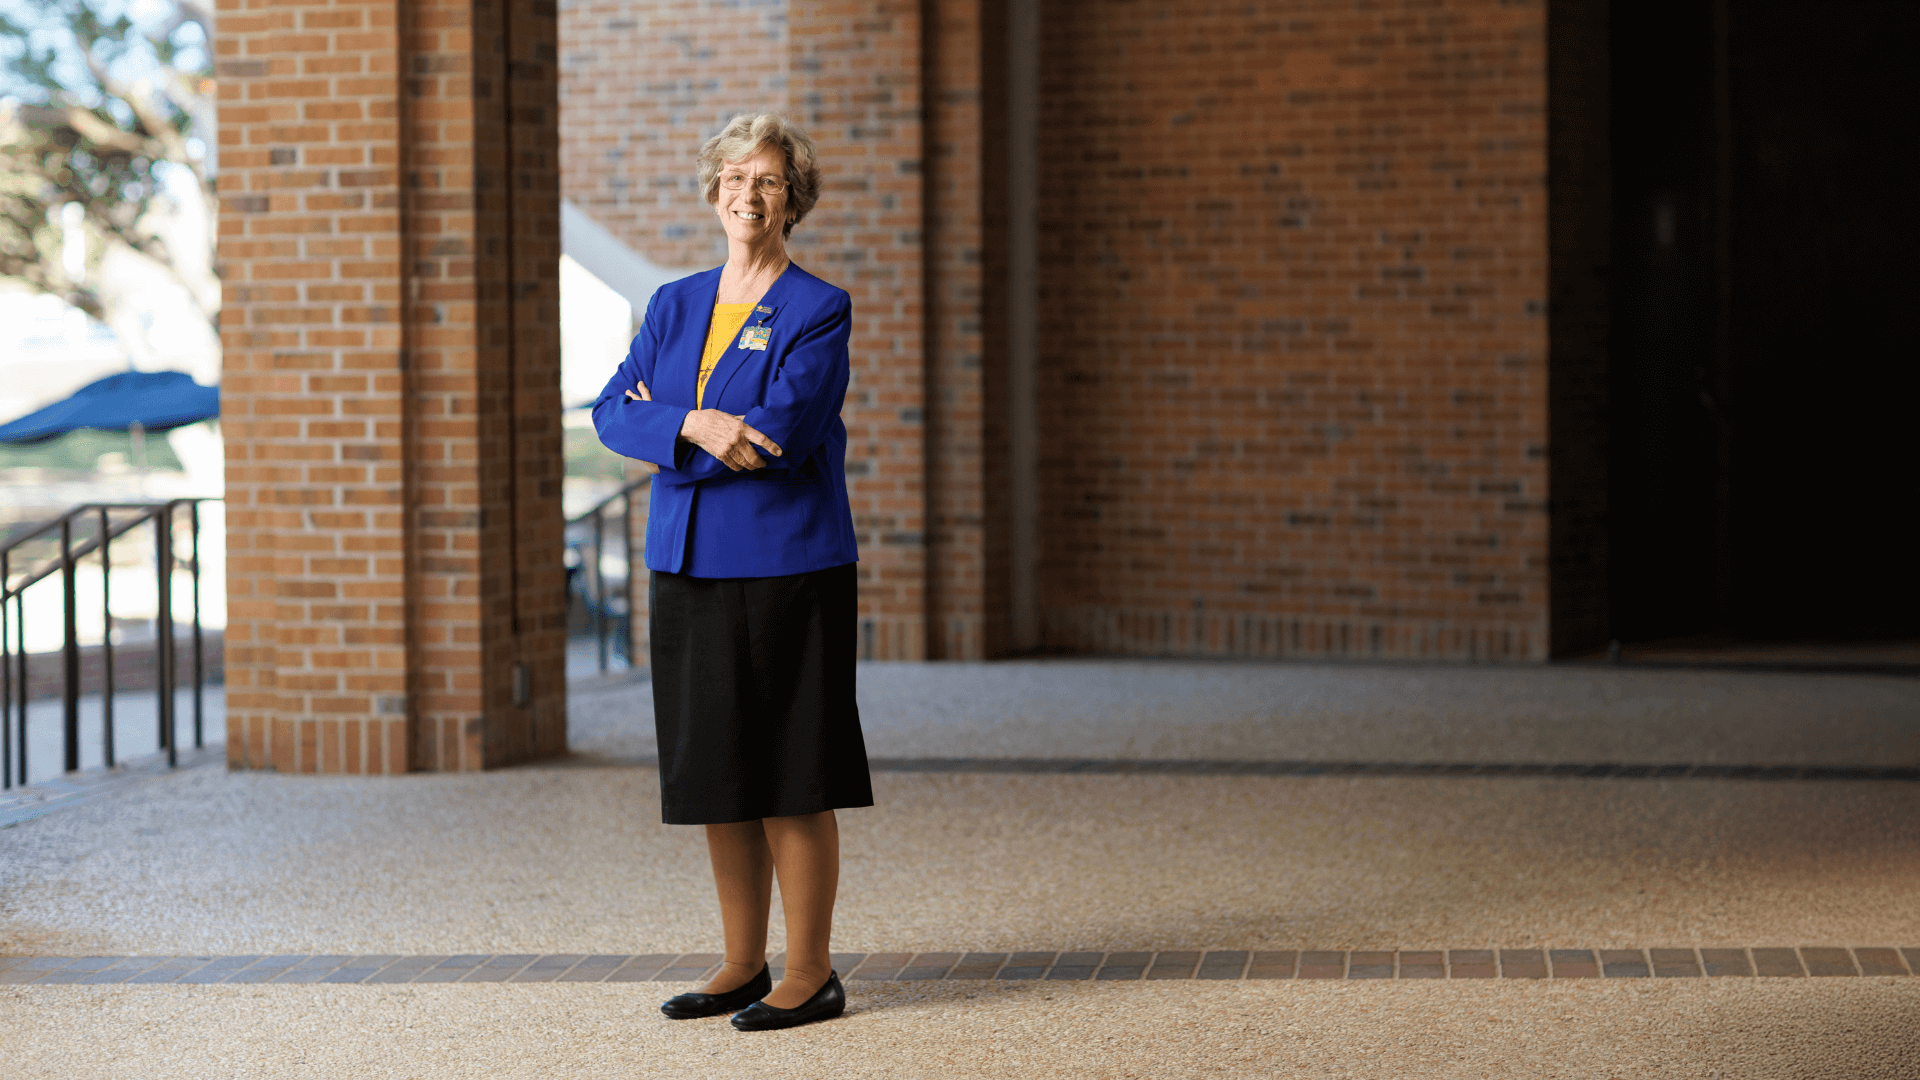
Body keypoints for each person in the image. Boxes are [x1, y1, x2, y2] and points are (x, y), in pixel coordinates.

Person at [591, 113, 869, 1032]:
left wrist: (672, 421)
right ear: (713, 190)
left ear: (794, 202)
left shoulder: (817, 309)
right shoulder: (673, 305)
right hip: (688, 563)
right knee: (716, 769)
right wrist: (697, 423)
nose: (749, 196)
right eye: (735, 178)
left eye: (770, 183)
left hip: (789, 565)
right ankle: (743, 963)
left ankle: (813, 971)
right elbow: (609, 412)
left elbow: (778, 436)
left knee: (793, 770)